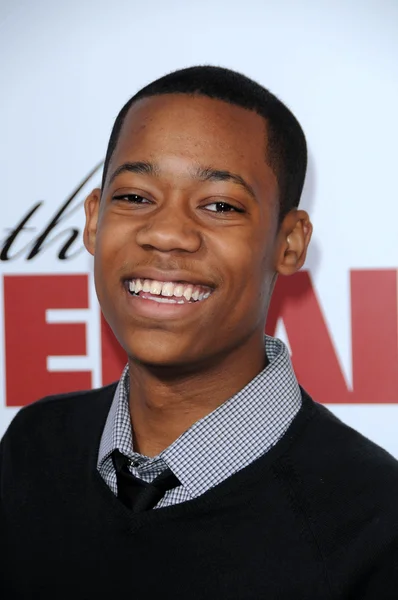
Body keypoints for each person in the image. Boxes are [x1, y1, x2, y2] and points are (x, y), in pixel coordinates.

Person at [1, 66, 397, 599]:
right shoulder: (33, 446)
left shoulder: (378, 521)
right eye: (135, 197)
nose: (165, 232)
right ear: (93, 223)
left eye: (220, 206)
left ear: (290, 243)